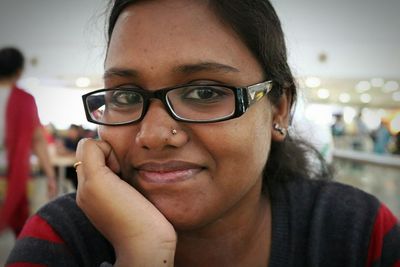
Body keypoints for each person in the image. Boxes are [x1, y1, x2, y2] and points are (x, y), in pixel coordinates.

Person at [6, 1, 400, 266]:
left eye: (205, 92)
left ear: (279, 108)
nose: (155, 134)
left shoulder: (357, 235)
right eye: (125, 95)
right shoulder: (61, 241)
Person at [0, 47, 57, 236]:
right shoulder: (25, 100)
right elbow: (38, 140)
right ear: (19, 71)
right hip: (12, 177)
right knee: (20, 229)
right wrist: (50, 175)